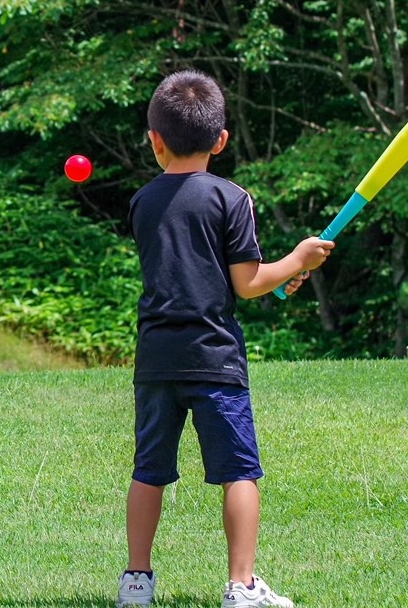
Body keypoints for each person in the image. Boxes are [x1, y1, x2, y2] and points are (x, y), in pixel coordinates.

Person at [117, 70, 333, 608]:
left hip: (157, 359)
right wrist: (296, 261)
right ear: (221, 141)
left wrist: (282, 270)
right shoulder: (232, 198)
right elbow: (248, 283)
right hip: (214, 356)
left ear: (154, 140)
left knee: (149, 470)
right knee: (238, 471)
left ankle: (136, 583)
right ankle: (241, 586)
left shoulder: (143, 201)